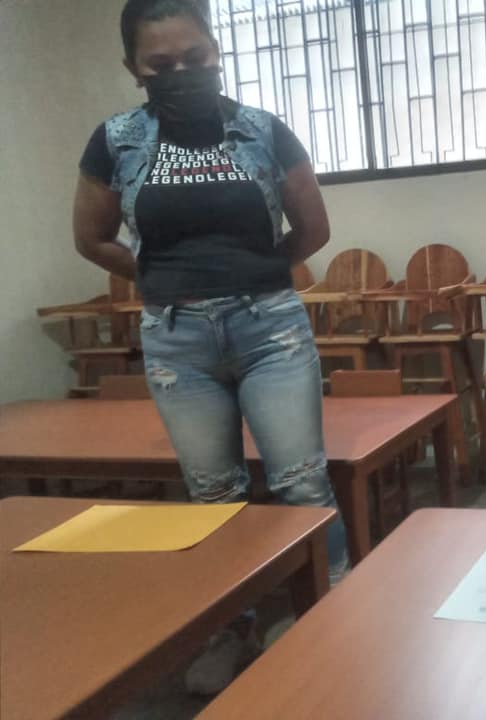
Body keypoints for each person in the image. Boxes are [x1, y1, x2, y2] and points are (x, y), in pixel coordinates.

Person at [73, 0, 348, 692]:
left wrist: (255, 272)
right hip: (177, 341)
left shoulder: (261, 129)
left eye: (194, 57)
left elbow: (313, 228)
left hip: (270, 330)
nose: (180, 73)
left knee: (301, 482)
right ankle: (234, 625)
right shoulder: (116, 140)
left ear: (216, 52)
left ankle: (333, 613)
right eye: (160, 64)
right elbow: (91, 237)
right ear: (134, 68)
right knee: (214, 494)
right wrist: (159, 275)